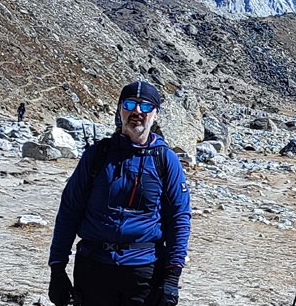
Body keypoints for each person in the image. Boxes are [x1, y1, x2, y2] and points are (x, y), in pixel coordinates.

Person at [49, 81, 190, 306]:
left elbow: (179, 218)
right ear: (119, 109)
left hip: (145, 272)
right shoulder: (97, 155)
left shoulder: (166, 160)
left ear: (156, 114)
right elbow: (69, 209)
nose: (137, 111)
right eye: (130, 104)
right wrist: (57, 267)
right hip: (93, 268)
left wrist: (173, 274)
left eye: (145, 107)